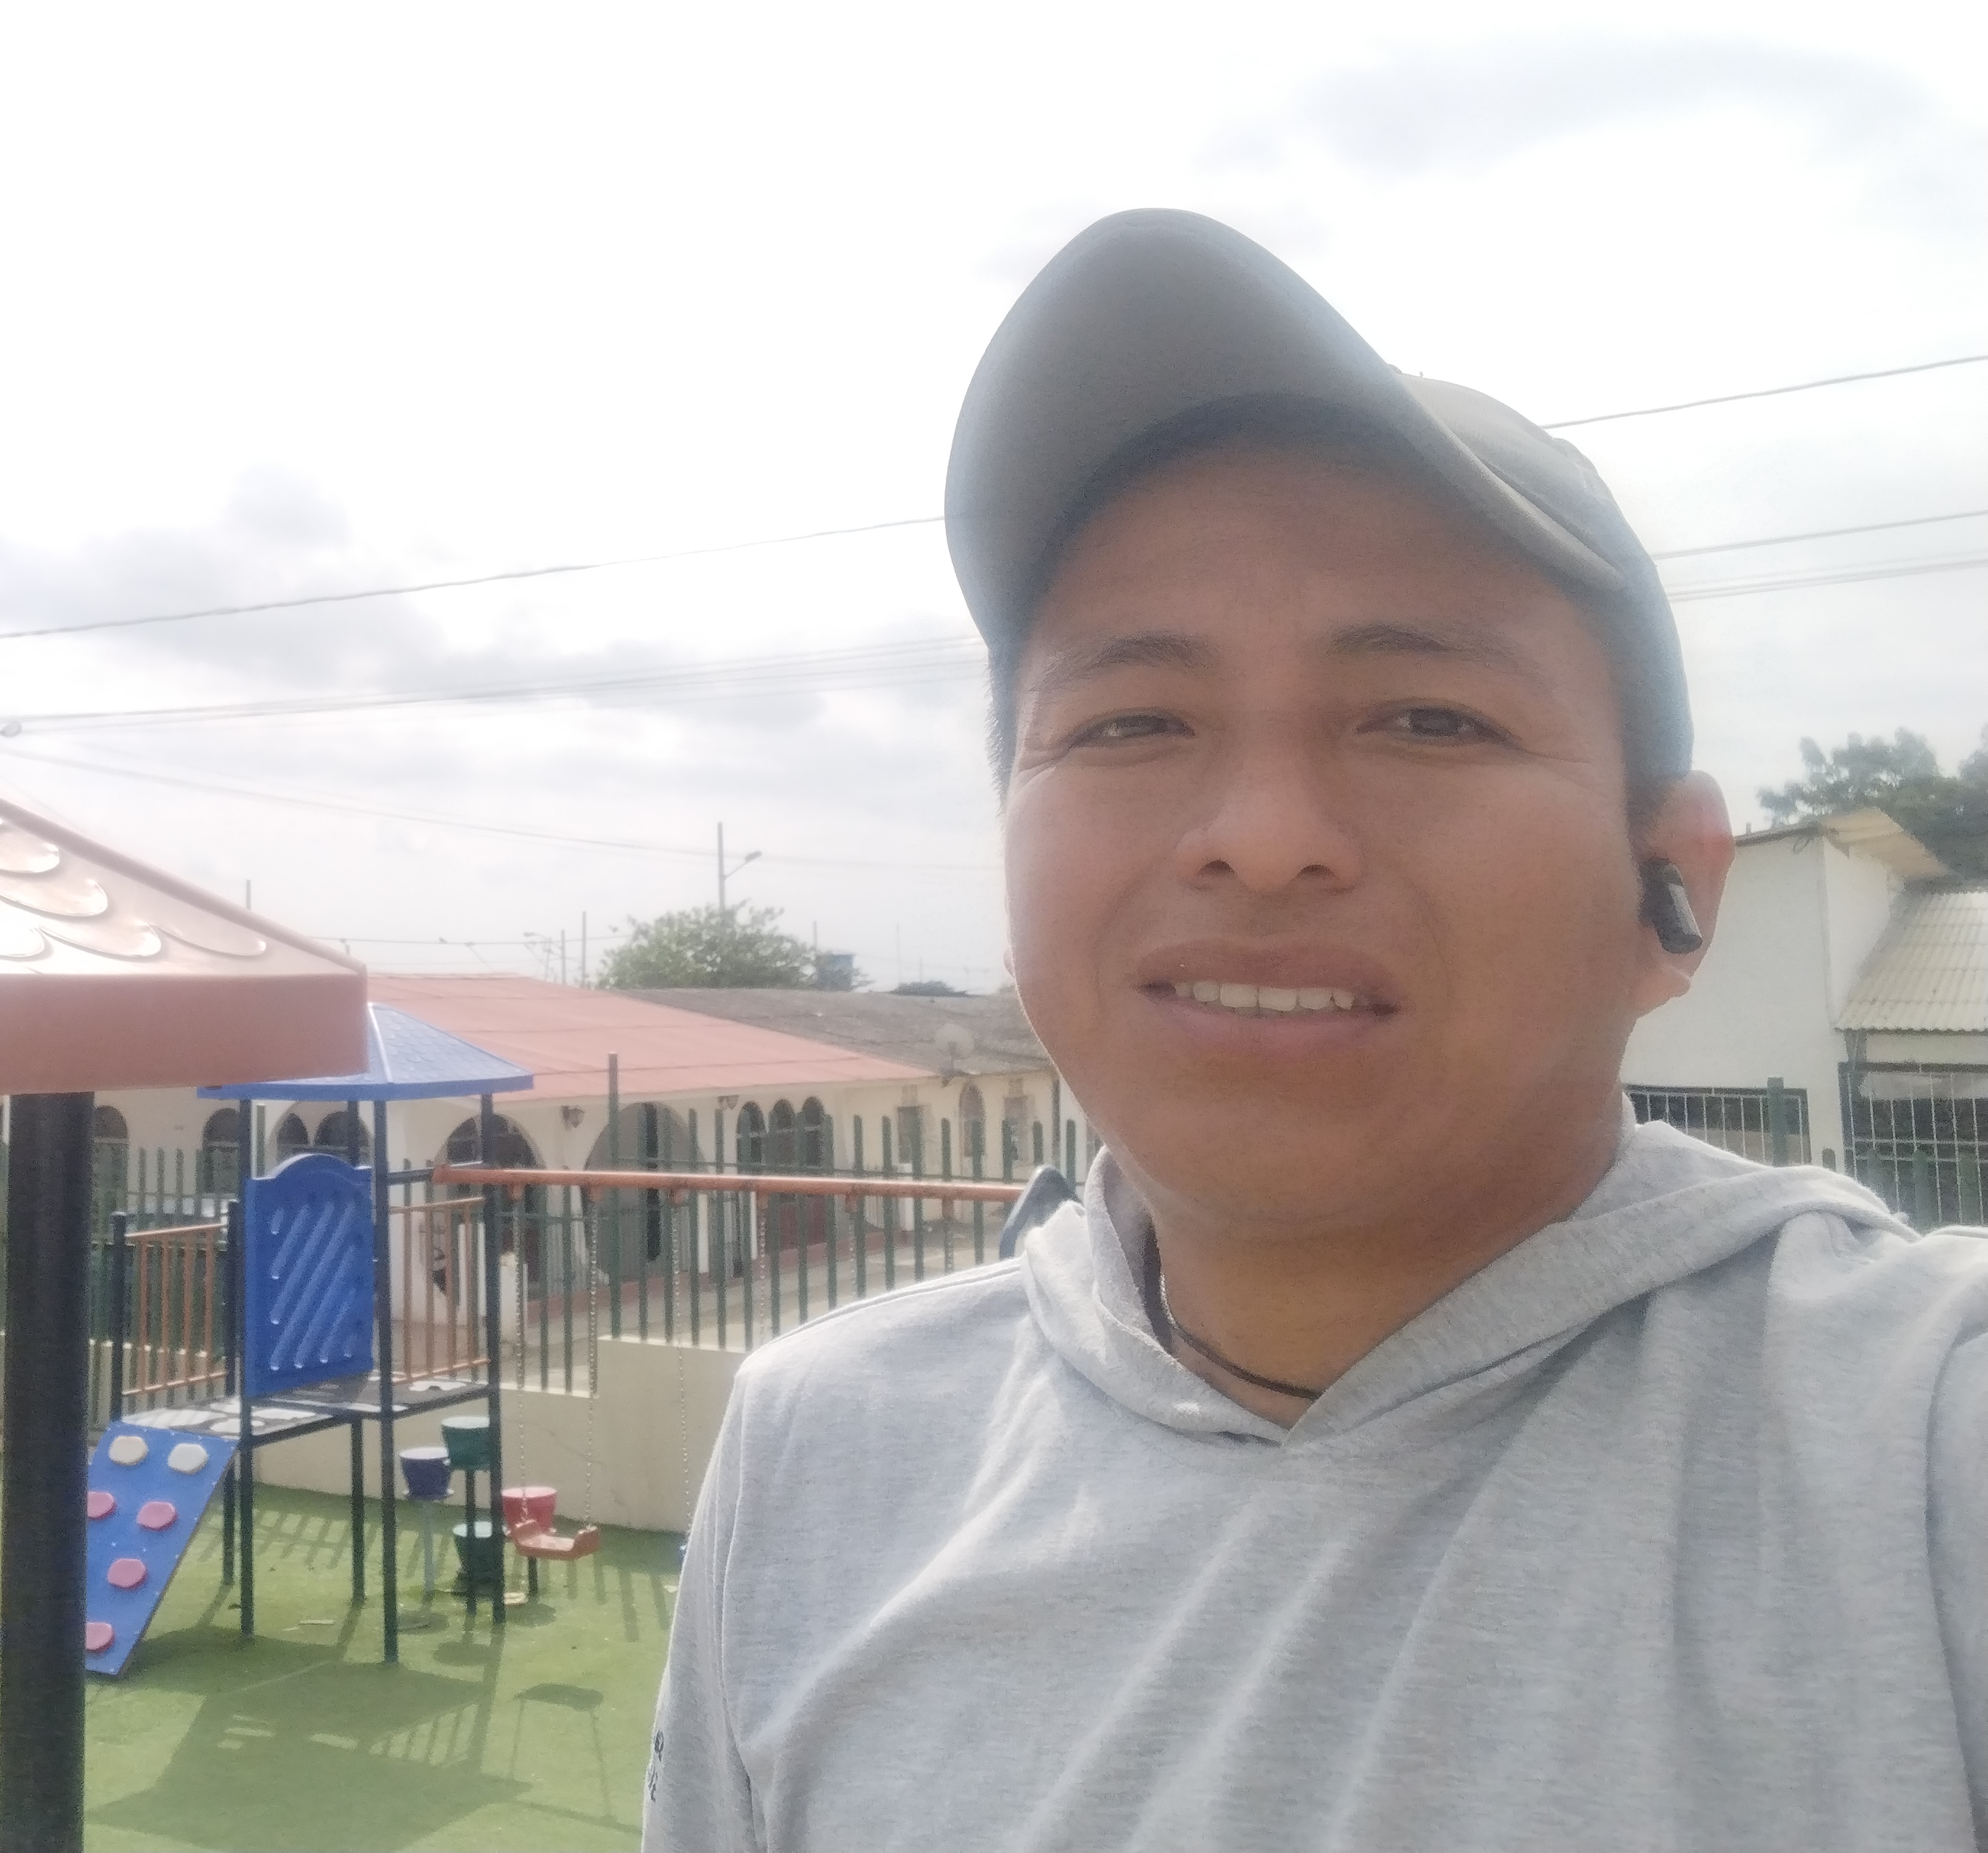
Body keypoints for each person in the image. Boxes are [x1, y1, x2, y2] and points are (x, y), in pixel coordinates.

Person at [642, 210, 1987, 1851]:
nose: (1263, 837)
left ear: (1669, 889)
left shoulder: (1920, 1446)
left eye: (1429, 717)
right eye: (1131, 721)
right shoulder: (822, 1445)